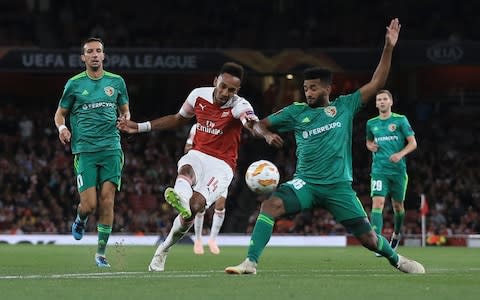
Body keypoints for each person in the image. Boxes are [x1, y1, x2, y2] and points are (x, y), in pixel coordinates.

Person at [225, 18, 425, 275]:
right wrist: (265, 135)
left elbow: (376, 83)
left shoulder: (344, 106)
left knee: (370, 240)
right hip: (305, 183)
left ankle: (397, 259)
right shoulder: (295, 112)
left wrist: (388, 48)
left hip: (338, 187)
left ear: (327, 88)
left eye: (313, 88)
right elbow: (259, 125)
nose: (307, 92)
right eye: (305, 88)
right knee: (270, 206)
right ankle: (250, 262)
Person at [117, 62, 283, 271]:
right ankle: (182, 199)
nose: (225, 93)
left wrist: (266, 134)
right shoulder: (198, 95)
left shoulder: (239, 105)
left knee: (194, 209)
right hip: (198, 154)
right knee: (186, 170)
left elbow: (251, 124)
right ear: (216, 81)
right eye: (222, 86)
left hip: (222, 166)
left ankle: (164, 248)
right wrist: (139, 127)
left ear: (237, 91)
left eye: (231, 90)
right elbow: (178, 119)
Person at [53, 37, 131, 268]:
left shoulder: (116, 82)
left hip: (111, 149)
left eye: (99, 51)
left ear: (104, 55)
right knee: (89, 205)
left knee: (107, 202)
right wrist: (62, 127)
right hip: (85, 151)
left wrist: (125, 119)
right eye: (90, 51)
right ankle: (80, 219)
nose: (95, 54)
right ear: (83, 57)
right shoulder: (74, 84)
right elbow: (60, 114)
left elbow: (125, 110)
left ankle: (100, 253)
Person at [366, 90, 417, 256]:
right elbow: (368, 141)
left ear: (391, 102)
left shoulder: (400, 120)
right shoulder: (371, 123)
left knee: (398, 206)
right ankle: (379, 242)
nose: (381, 102)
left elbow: (413, 143)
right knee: (378, 203)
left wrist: (400, 154)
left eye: (384, 99)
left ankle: (396, 234)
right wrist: (369, 145)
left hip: (398, 171)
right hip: (379, 170)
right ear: (376, 103)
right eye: (378, 99)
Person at [184, 124, 226, 255]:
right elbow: (187, 148)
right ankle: (198, 240)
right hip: (204, 171)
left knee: (220, 204)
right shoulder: (197, 127)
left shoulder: (223, 125)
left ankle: (212, 240)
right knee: (200, 207)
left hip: (220, 170)